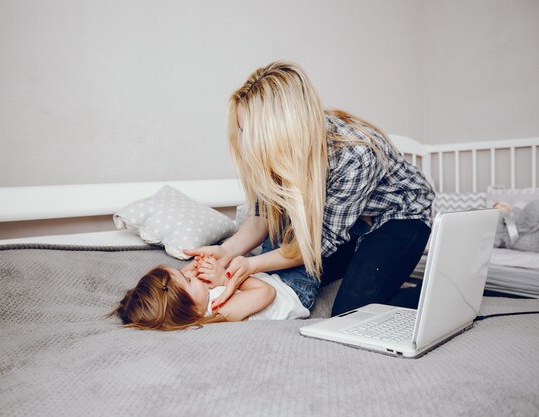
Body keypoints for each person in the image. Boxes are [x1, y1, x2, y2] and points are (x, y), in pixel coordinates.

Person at [184, 61, 435, 317]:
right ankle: (362, 262)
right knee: (282, 277)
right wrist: (226, 251)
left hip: (399, 215)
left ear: (282, 129)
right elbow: (260, 221)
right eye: (243, 131)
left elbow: (317, 246)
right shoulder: (267, 153)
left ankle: (436, 294)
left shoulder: (356, 154)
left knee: (349, 314)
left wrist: (251, 264)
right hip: (346, 223)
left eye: (255, 134)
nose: (249, 143)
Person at [110, 256, 309, 331]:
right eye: (188, 279)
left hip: (270, 275)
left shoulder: (199, 302)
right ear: (190, 309)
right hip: (293, 287)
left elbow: (183, 285)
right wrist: (223, 278)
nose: (191, 273)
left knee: (278, 229)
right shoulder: (221, 313)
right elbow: (266, 292)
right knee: (302, 241)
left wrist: (196, 270)